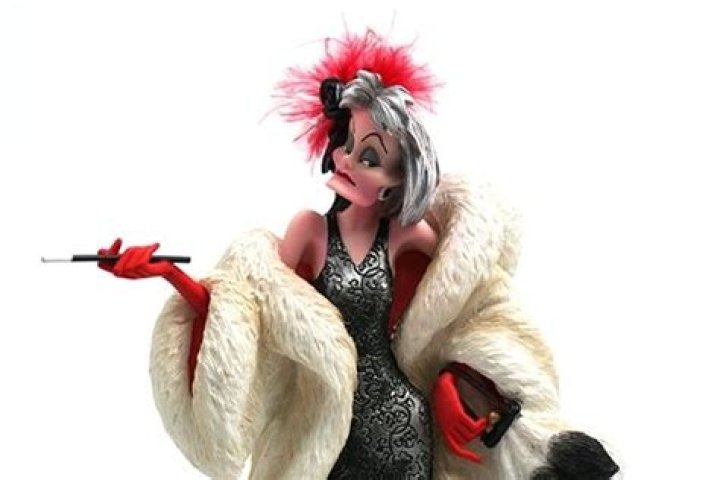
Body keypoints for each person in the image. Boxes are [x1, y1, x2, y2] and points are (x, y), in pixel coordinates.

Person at [98, 31, 618, 479]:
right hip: (330, 420)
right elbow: (249, 309)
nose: (347, 160)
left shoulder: (409, 236)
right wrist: (167, 275)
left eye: (370, 156)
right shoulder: (308, 231)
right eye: (347, 143)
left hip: (403, 421)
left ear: (397, 182)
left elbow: (461, 311)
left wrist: (449, 381)